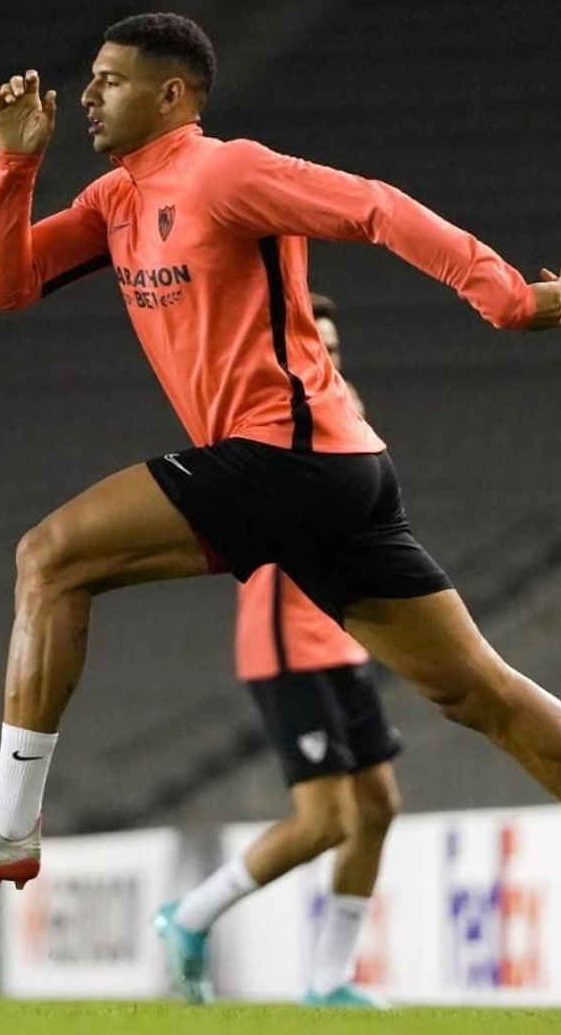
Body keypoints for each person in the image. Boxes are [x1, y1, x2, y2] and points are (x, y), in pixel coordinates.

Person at [0, 12, 561, 1016]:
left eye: (111, 81)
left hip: (285, 457)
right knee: (477, 694)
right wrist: (13, 168)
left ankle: (8, 821)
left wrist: (499, 292)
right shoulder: (116, 197)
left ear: (174, 94)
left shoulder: (222, 171)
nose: (90, 97)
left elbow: (369, 206)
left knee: (49, 557)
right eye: (92, 80)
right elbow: (7, 282)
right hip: (332, 475)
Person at [153, 295, 396, 1009]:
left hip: (342, 634)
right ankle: (189, 915)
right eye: (315, 344)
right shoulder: (273, 415)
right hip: (287, 639)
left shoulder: (340, 405)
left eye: (335, 345)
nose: (330, 357)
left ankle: (329, 980)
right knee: (327, 820)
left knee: (379, 803)